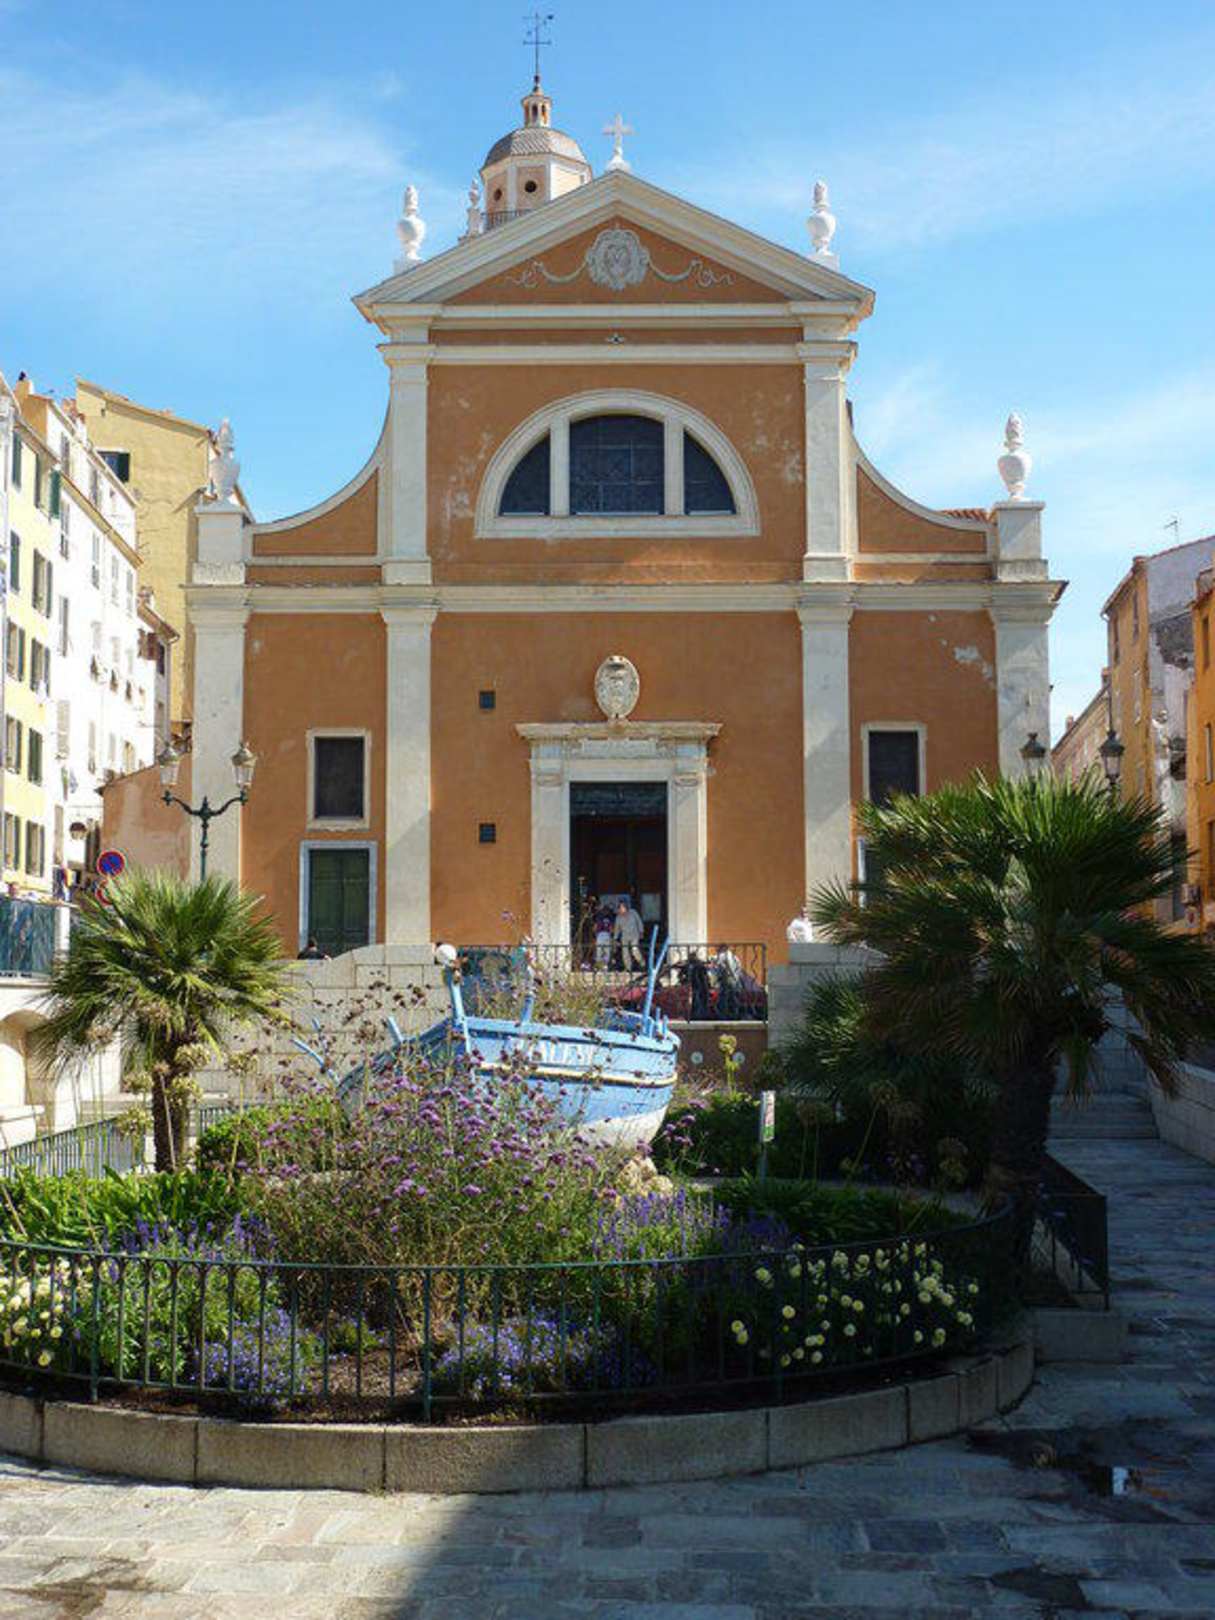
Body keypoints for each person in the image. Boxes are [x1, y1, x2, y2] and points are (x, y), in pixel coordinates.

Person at [714, 943, 743, 1019]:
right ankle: (735, 1015)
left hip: (727, 980)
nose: (717, 951)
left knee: (723, 999)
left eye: (718, 950)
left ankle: (723, 1016)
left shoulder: (723, 955)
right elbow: (739, 968)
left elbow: (715, 961)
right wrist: (735, 977)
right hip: (735, 981)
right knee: (734, 999)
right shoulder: (735, 957)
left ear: (722, 949)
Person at [613, 899, 644, 971]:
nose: (621, 909)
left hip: (634, 935)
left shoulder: (633, 912)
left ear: (626, 907)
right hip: (625, 937)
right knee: (625, 953)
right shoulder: (618, 917)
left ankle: (642, 963)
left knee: (635, 950)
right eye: (620, 908)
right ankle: (628, 968)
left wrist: (641, 931)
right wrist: (615, 938)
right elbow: (617, 929)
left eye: (622, 907)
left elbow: (639, 922)